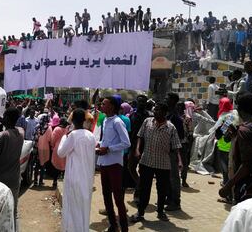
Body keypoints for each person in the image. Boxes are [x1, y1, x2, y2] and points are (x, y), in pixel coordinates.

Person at [130, 103, 182, 223]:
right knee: (144, 188)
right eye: (155, 109)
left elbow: (176, 146)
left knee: (162, 189)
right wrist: (138, 149)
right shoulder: (147, 122)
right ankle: (140, 212)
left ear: (164, 113)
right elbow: (140, 136)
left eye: (158, 110)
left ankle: (160, 211)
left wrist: (179, 161)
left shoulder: (171, 127)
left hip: (163, 163)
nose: (155, 112)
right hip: (146, 160)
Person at [219, 93, 252, 202]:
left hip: (247, 183)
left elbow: (246, 165)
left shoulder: (237, 125)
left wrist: (227, 186)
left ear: (240, 108)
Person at [57, 108, 96, 232]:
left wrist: (64, 137)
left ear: (72, 120)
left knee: (73, 208)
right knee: (84, 206)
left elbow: (61, 153)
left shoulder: (73, 135)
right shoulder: (91, 135)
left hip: (75, 177)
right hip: (87, 177)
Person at [97, 97, 130, 232]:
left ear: (112, 106)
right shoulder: (105, 120)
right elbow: (106, 139)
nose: (101, 105)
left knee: (117, 197)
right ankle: (113, 225)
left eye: (104, 103)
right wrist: (100, 145)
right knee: (106, 195)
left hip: (115, 163)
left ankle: (124, 227)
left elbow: (126, 143)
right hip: (104, 162)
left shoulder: (117, 122)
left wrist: (109, 149)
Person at [0, 107, 24, 228]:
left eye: (4, 116)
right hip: (14, 179)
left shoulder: (0, 136)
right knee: (12, 211)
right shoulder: (20, 133)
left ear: (7, 118)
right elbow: (7, 123)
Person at [33, 114, 52, 186]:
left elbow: (34, 136)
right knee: (43, 165)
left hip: (37, 148)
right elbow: (50, 139)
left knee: (36, 165)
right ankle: (40, 181)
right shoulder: (49, 128)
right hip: (45, 149)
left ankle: (35, 181)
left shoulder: (37, 126)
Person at [50, 116, 68, 188]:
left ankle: (55, 181)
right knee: (64, 165)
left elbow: (53, 140)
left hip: (57, 149)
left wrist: (52, 146)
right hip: (65, 148)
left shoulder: (57, 129)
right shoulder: (67, 129)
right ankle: (64, 181)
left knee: (56, 166)